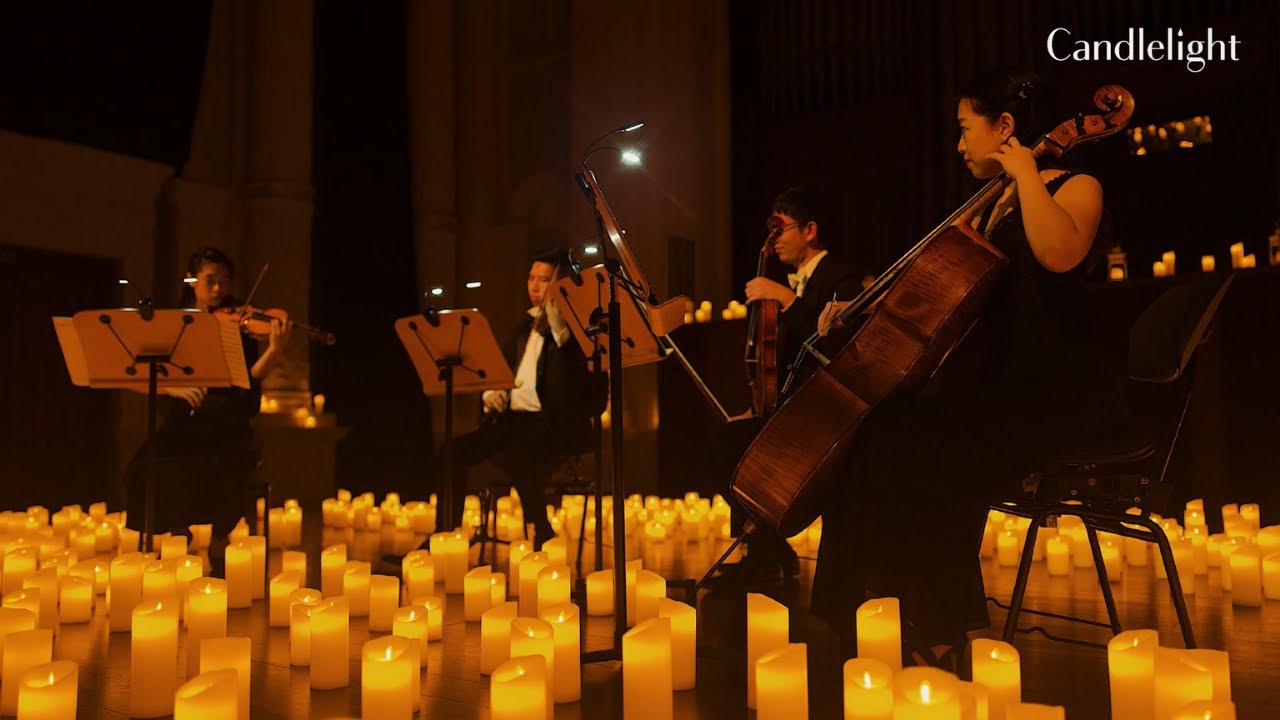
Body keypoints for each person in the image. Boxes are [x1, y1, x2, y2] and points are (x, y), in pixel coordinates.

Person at [808, 69, 1130, 670]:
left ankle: (939, 626)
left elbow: (1058, 255)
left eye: (965, 129)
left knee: (922, 444)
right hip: (1001, 390)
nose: (957, 145)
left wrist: (1027, 173)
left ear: (1004, 128)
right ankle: (862, 608)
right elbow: (929, 289)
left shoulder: (1075, 185)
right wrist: (853, 307)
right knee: (881, 428)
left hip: (1061, 393)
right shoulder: (987, 206)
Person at [707, 187, 860, 587]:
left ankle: (767, 553)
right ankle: (767, 551)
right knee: (726, 444)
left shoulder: (840, 279)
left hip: (825, 418)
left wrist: (787, 298)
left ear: (810, 230)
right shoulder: (794, 282)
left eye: (782, 227)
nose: (773, 239)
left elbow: (834, 347)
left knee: (732, 446)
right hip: (791, 412)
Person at [123, 246, 290, 571]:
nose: (219, 289)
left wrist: (275, 351)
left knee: (224, 462)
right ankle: (176, 534)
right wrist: (177, 388)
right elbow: (148, 374)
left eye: (225, 281)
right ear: (192, 281)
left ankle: (218, 541)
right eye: (211, 280)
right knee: (147, 464)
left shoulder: (237, 324)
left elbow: (248, 380)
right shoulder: (175, 325)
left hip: (227, 418)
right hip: (183, 421)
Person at [443, 248, 601, 550]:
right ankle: (446, 534)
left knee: (521, 455)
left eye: (544, 279)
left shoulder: (579, 332)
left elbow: (586, 393)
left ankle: (542, 533)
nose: (535, 286)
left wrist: (561, 334)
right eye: (531, 278)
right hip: (513, 422)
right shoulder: (522, 326)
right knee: (451, 451)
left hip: (552, 427)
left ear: (561, 282)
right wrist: (492, 391)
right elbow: (498, 369)